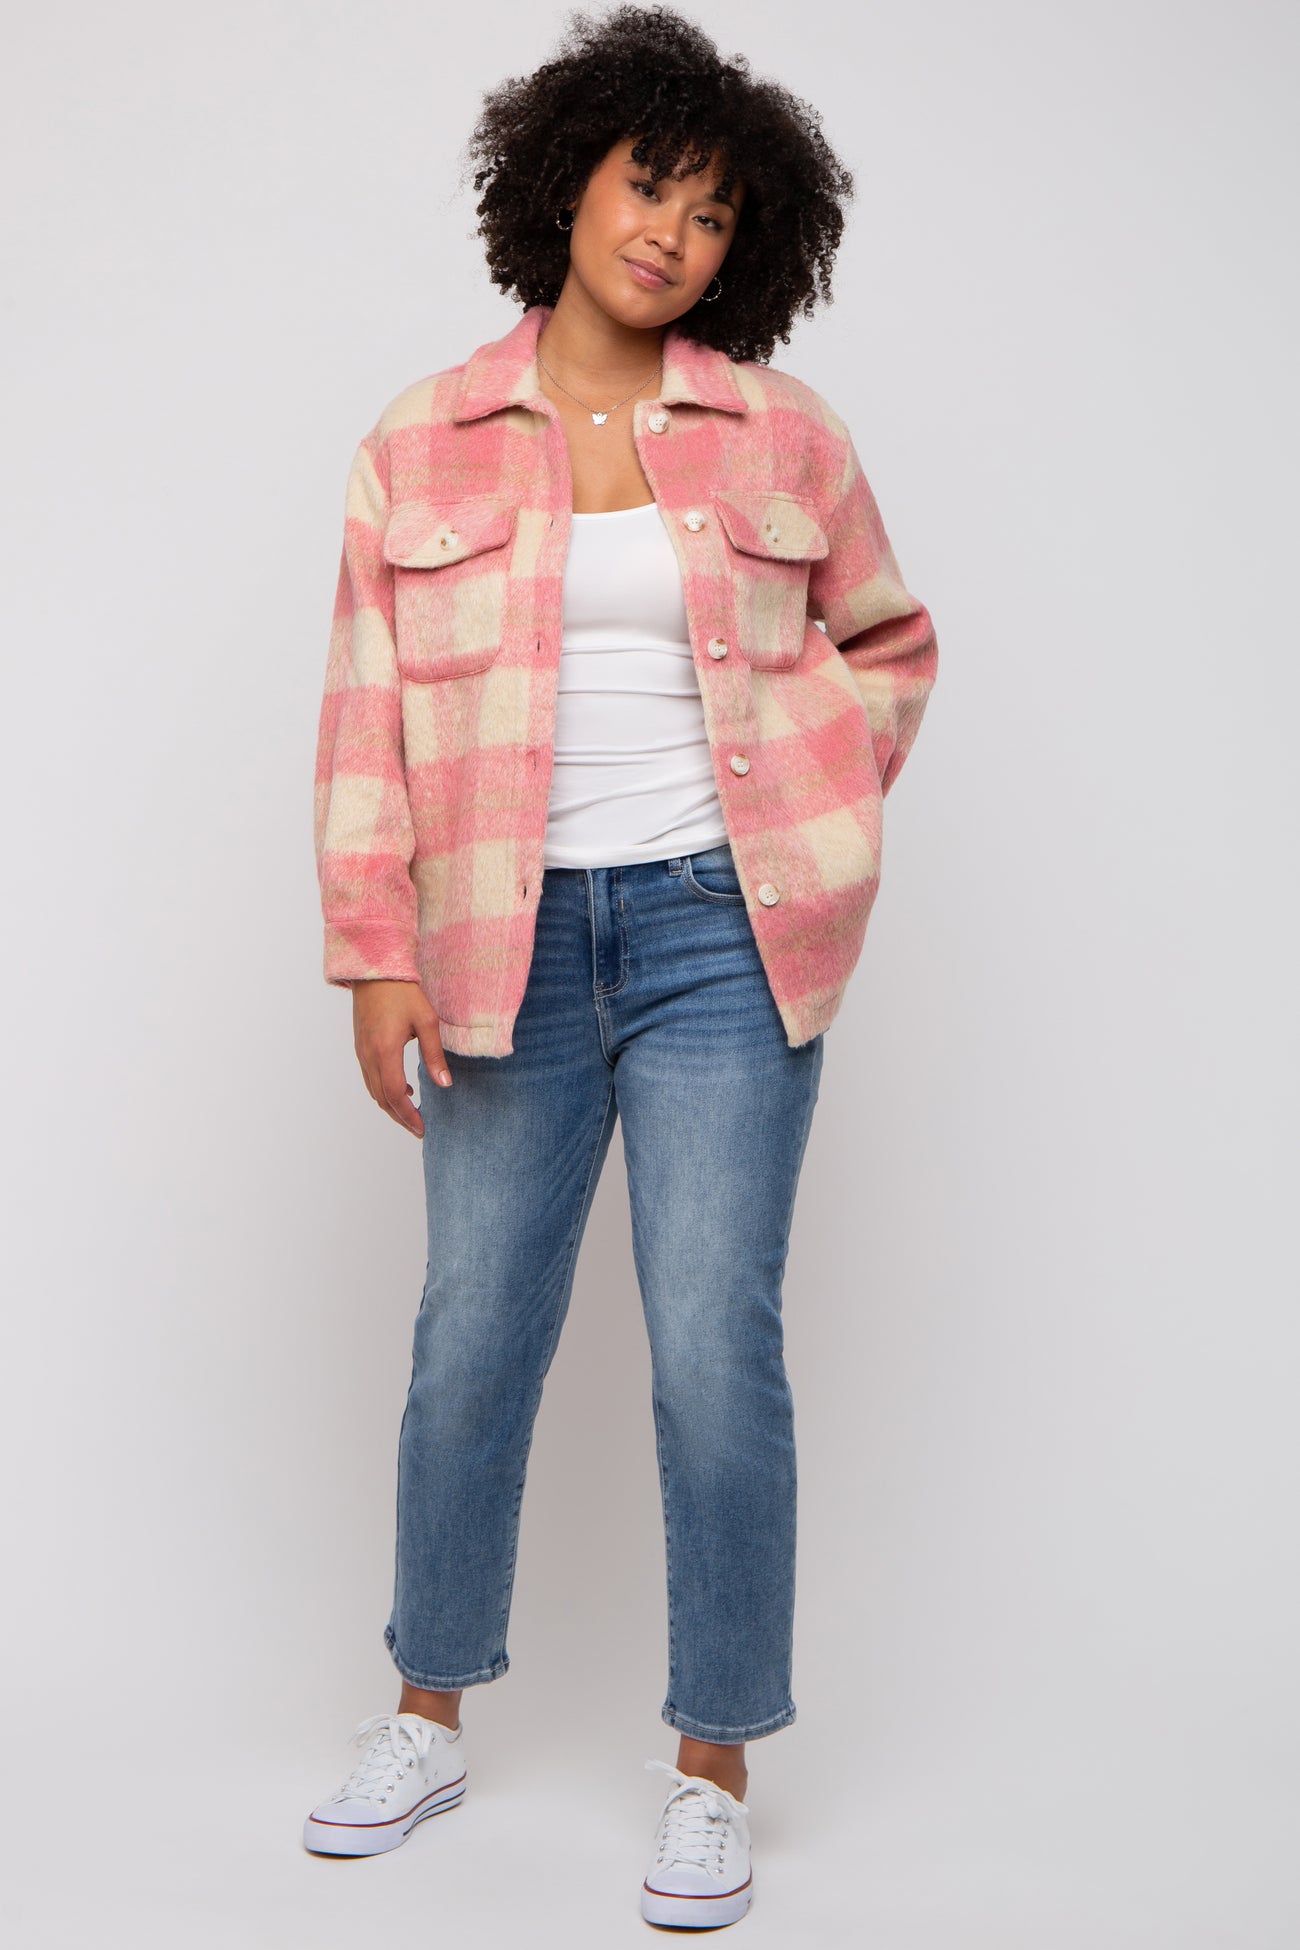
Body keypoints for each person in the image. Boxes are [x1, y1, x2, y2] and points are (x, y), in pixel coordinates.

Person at [303, 4, 938, 1928]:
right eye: (649, 181)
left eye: (716, 210)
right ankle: (426, 1712)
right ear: (566, 180)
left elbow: (889, 643)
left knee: (711, 1346)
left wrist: (815, 804)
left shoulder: (782, 434)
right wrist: (375, 954)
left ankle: (713, 1761)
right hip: (496, 940)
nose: (673, 230)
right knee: (469, 1336)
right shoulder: (420, 436)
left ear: (753, 246)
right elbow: (364, 712)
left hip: (721, 940)